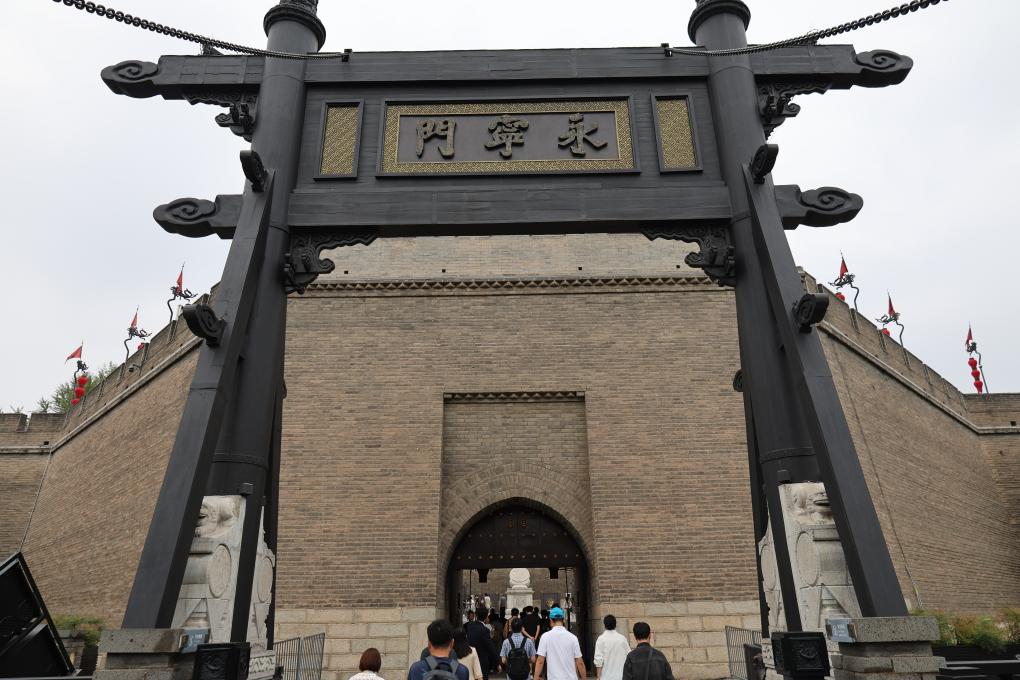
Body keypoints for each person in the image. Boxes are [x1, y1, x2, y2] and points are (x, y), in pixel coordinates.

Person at [534, 607, 584, 680]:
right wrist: (584, 678)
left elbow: (540, 661)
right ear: (563, 620)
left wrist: (535, 678)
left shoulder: (545, 637)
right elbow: (580, 662)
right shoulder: (573, 637)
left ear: (551, 620)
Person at [466, 607, 500, 680]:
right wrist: (497, 663)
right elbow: (491, 648)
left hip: (470, 658)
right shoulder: (485, 630)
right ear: (486, 617)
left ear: (476, 615)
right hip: (481, 660)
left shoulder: (470, 626)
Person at [593, 615, 631, 680]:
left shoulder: (601, 639)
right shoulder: (622, 639)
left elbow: (598, 660)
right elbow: (629, 656)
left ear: (604, 625)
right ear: (615, 624)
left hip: (606, 677)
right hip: (621, 676)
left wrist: (598, 677)